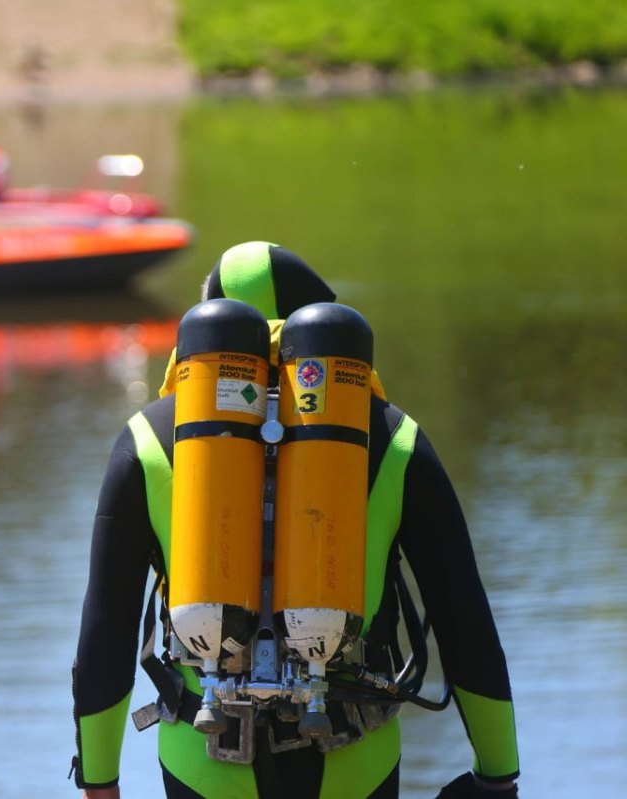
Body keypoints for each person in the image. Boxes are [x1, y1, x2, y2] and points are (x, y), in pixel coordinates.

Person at [70, 241, 519, 798]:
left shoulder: (149, 438)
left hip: (206, 759)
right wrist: (498, 773)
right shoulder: (391, 436)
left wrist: (98, 782)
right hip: (354, 758)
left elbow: (105, 631)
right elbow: (463, 616)